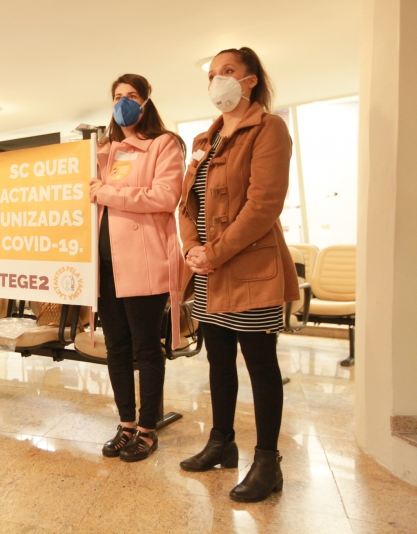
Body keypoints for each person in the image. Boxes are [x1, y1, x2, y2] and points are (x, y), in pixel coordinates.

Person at [178, 47, 299, 502]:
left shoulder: (270, 129)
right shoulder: (204, 140)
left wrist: (216, 252)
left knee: (260, 363)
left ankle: (267, 462)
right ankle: (221, 441)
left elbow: (264, 204)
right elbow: (186, 203)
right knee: (218, 358)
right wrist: (192, 247)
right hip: (209, 267)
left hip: (249, 268)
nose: (217, 81)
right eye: (211, 74)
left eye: (227, 71)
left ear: (250, 80)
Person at [90, 74, 185, 463]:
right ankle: (126, 423)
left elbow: (165, 197)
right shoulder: (104, 152)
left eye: (131, 96)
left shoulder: (163, 144)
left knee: (146, 349)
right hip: (105, 265)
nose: (123, 102)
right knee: (116, 349)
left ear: (145, 102)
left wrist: (107, 192)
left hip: (144, 261)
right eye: (117, 97)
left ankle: (147, 427)